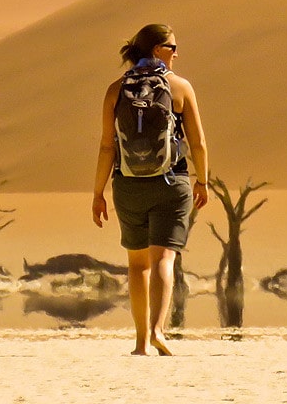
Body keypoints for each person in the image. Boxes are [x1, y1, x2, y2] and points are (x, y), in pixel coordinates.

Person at [92, 23, 209, 355]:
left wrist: (97, 193)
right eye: (172, 48)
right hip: (171, 183)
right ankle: (159, 330)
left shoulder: (116, 89)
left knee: (137, 264)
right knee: (164, 257)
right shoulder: (180, 87)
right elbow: (198, 143)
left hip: (127, 185)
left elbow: (106, 146)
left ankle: (141, 342)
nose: (176, 54)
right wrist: (203, 180)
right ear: (157, 50)